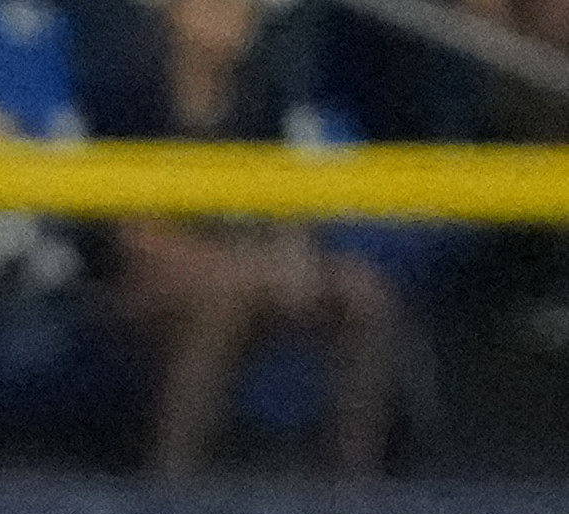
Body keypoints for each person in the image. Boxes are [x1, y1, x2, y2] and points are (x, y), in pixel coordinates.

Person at [79, 0, 399, 477]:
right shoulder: (126, 93)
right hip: (128, 286)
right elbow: (135, 238)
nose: (228, 20)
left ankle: (352, 488)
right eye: (211, 8)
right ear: (175, 16)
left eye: (238, 10)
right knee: (223, 295)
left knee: (360, 292)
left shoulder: (264, 97)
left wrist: (291, 257)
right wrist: (245, 265)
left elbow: (288, 210)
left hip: (252, 269)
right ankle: (172, 482)